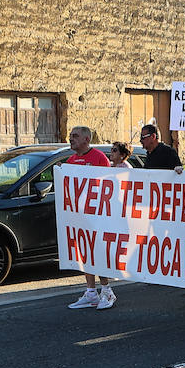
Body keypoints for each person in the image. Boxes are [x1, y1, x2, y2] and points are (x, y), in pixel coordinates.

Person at [66, 126, 118, 311]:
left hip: (97, 216)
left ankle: (107, 290)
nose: (71, 139)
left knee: (98, 253)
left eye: (75, 136)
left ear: (87, 139)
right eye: (71, 136)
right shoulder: (71, 160)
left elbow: (108, 185)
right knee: (85, 252)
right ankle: (90, 292)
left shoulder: (98, 158)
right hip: (79, 216)